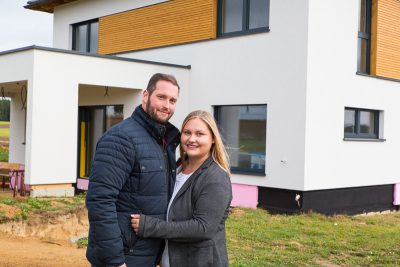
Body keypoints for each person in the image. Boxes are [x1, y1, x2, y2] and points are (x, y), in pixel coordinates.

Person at [86, 73, 181, 267]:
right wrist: (115, 261)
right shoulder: (121, 138)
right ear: (145, 95)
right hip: (125, 257)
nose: (167, 106)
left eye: (172, 100)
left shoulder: (164, 141)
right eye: (161, 97)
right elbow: (100, 201)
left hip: (147, 255)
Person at [131, 110, 232, 267]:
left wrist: (150, 227)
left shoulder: (215, 177)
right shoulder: (176, 167)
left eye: (200, 134)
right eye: (187, 132)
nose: (192, 139)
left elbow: (203, 228)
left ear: (213, 139)